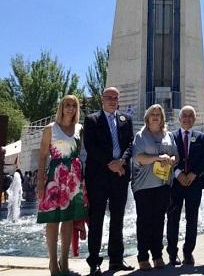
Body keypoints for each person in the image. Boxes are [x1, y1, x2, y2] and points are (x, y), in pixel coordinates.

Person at [83, 86, 134, 276]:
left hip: (120, 175)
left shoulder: (125, 119)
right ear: (102, 99)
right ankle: (94, 261)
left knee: (118, 218)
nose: (112, 100)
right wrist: (110, 163)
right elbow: (90, 146)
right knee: (96, 218)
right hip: (98, 176)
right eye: (108, 97)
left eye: (115, 97)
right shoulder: (92, 120)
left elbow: (130, 143)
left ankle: (116, 260)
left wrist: (121, 162)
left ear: (118, 100)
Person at [37, 95, 88, 276]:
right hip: (54, 175)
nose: (70, 108)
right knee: (52, 220)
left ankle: (65, 261)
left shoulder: (80, 128)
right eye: (67, 105)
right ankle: (52, 262)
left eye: (74, 105)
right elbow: (43, 155)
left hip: (73, 176)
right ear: (61, 107)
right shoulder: (50, 128)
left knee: (68, 219)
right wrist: (40, 182)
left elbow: (81, 153)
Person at [131, 104, 179, 270]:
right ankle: (143, 256)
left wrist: (171, 160)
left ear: (162, 118)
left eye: (159, 114)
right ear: (147, 117)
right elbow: (139, 158)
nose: (156, 117)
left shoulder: (169, 135)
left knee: (159, 220)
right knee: (144, 221)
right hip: (144, 185)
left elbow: (176, 156)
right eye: (153, 114)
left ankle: (157, 255)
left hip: (163, 184)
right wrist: (158, 158)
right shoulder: (140, 136)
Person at [166, 105, 204, 266]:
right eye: (184, 115)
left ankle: (188, 252)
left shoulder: (201, 138)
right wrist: (178, 173)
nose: (187, 118)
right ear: (179, 118)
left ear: (195, 119)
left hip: (194, 184)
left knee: (192, 219)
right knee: (173, 219)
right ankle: (172, 254)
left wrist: (193, 174)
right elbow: (167, 156)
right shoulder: (170, 136)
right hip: (175, 184)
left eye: (191, 116)